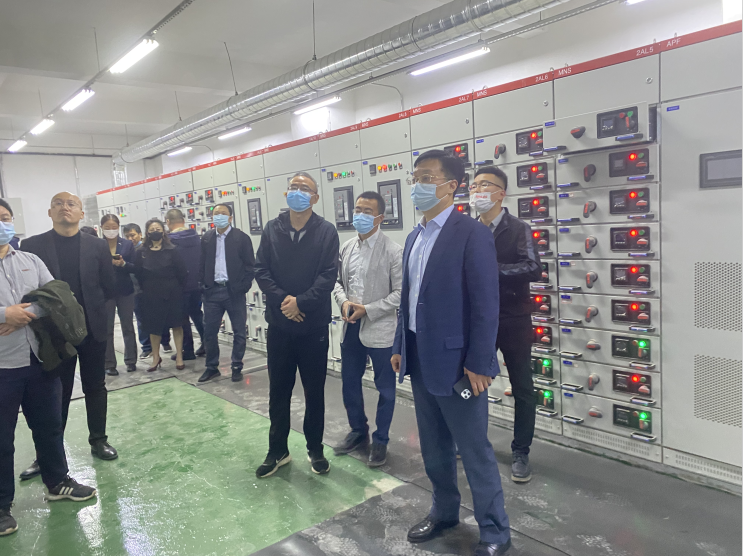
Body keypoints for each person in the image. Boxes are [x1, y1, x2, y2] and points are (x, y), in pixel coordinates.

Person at [390, 151, 511, 556]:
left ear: (451, 186)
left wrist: (479, 361)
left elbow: (486, 304)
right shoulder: (414, 237)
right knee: (434, 446)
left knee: (473, 449)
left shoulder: (471, 233)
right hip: (419, 358)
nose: (417, 186)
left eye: (427, 177)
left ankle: (495, 531)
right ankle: (444, 512)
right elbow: (408, 300)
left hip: (459, 365)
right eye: (415, 178)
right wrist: (400, 346)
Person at [0, 199, 97, 537]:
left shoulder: (30, 260)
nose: (2, 224)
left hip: (40, 359)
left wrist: (23, 314)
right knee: (2, 438)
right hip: (2, 366)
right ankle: (1, 505)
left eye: (5, 218)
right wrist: (4, 314)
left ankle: (57, 482)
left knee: (49, 426)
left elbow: (59, 297)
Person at [19, 192, 118, 481]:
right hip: (54, 332)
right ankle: (48, 455)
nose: (65, 208)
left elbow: (109, 286)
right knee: (54, 393)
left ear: (81, 214)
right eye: (58, 204)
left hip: (92, 329)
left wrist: (94, 315)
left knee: (95, 386)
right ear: (50, 212)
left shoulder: (97, 245)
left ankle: (98, 440)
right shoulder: (33, 246)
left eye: (71, 204)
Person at [254, 172, 339, 478]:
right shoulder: (272, 229)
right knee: (278, 391)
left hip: (313, 326)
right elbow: (261, 270)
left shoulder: (326, 231)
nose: (298, 192)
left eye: (305, 188)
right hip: (280, 325)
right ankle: (277, 450)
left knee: (314, 392)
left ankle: (315, 449)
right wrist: (285, 303)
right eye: (294, 187)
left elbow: (328, 276)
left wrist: (301, 303)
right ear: (286, 193)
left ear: (315, 197)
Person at [470, 166, 541, 483]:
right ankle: (470, 441)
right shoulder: (468, 230)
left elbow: (533, 267)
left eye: (484, 185)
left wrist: (492, 269)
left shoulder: (518, 228)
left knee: (523, 387)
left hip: (513, 318)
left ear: (501, 193)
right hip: (478, 319)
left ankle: (521, 452)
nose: (477, 191)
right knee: (471, 383)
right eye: (474, 186)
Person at [332, 191, 402, 468]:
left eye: (367, 211)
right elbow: (337, 282)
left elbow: (400, 293)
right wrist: (344, 302)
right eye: (357, 209)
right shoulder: (347, 247)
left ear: (380, 217)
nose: (359, 215)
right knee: (349, 383)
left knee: (385, 389)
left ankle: (381, 439)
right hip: (351, 328)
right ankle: (358, 431)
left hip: (381, 331)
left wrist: (369, 309)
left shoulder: (393, 251)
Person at [197, 203, 255, 383]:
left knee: (239, 331)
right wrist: (203, 285)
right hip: (212, 292)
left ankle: (236, 366)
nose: (219, 216)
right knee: (209, 332)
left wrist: (243, 286)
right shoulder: (207, 238)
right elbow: (201, 264)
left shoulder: (241, 238)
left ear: (230, 218)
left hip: (234, 292)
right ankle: (211, 367)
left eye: (223, 213)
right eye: (216, 213)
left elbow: (250, 266)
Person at [128, 219, 187, 372]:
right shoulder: (141, 252)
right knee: (153, 327)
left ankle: (179, 356)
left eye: (158, 229)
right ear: (147, 232)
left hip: (172, 293)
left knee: (177, 325)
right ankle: (155, 357)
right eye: (152, 229)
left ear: (163, 231)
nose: (155, 231)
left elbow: (182, 272)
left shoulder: (172, 250)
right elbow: (138, 273)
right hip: (151, 294)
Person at [124, 223, 172, 358]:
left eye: (132, 235)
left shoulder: (145, 249)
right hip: (135, 290)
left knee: (161, 316)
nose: (130, 239)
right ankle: (146, 346)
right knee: (141, 319)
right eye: (127, 236)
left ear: (140, 234)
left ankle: (165, 341)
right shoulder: (126, 251)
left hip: (152, 289)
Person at [165, 209, 205, 361]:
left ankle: (187, 350)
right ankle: (208, 343)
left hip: (180, 285)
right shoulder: (196, 237)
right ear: (183, 220)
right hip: (197, 283)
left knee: (183, 319)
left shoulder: (169, 241)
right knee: (197, 314)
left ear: (168, 222)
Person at [101, 214, 137, 375]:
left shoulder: (127, 244)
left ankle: (131, 360)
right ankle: (109, 363)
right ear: (101, 228)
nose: (111, 230)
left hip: (125, 291)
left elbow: (135, 267)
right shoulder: (97, 244)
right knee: (107, 328)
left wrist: (123, 264)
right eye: (107, 227)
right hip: (106, 292)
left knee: (128, 326)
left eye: (114, 227)